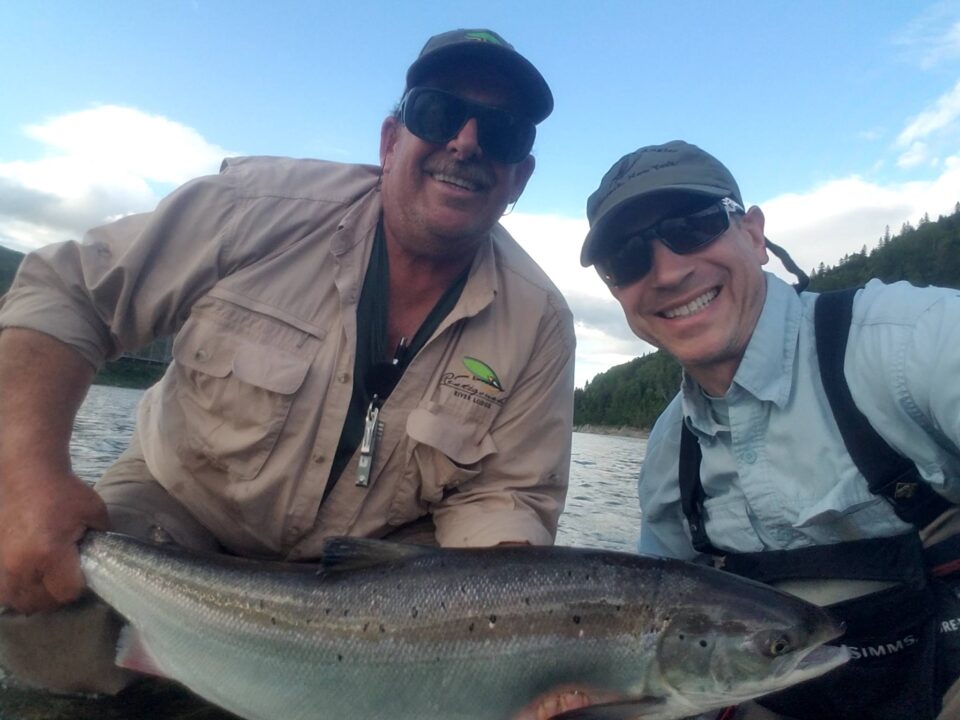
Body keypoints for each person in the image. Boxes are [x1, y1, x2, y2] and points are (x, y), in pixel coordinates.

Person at [0, 28, 575, 695]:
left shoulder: (542, 324)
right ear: (391, 141)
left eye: (502, 134)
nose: (468, 143)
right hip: (180, 513)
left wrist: (524, 641)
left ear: (520, 177)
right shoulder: (254, 208)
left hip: (380, 580)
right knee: (38, 600)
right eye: (440, 114)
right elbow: (68, 295)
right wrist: (25, 477)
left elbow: (505, 497)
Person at [574, 140, 960, 719]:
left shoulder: (915, 345)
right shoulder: (666, 456)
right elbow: (658, 645)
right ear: (616, 292)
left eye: (692, 225)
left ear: (754, 234)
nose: (670, 270)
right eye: (629, 257)